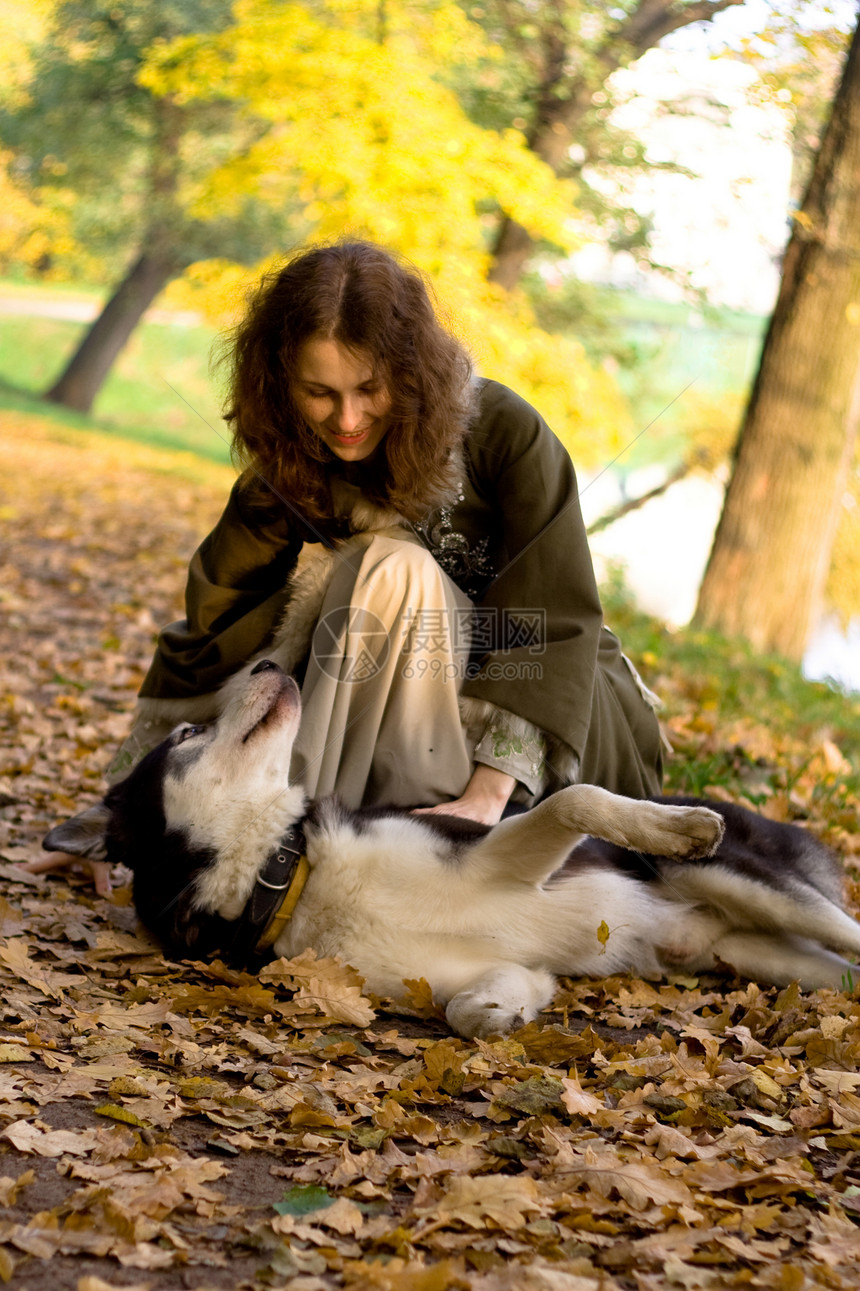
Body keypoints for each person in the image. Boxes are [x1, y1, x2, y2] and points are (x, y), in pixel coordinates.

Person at [31, 240, 664, 894]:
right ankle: (306, 843)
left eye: (369, 388)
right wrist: (121, 817)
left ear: (411, 370)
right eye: (319, 393)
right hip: (382, 721)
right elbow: (216, 629)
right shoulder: (290, 463)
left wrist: (484, 800)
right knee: (356, 579)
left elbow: (552, 623)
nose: (348, 418)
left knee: (392, 567)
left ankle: (305, 844)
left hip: (550, 723)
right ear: (283, 383)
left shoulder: (507, 432)